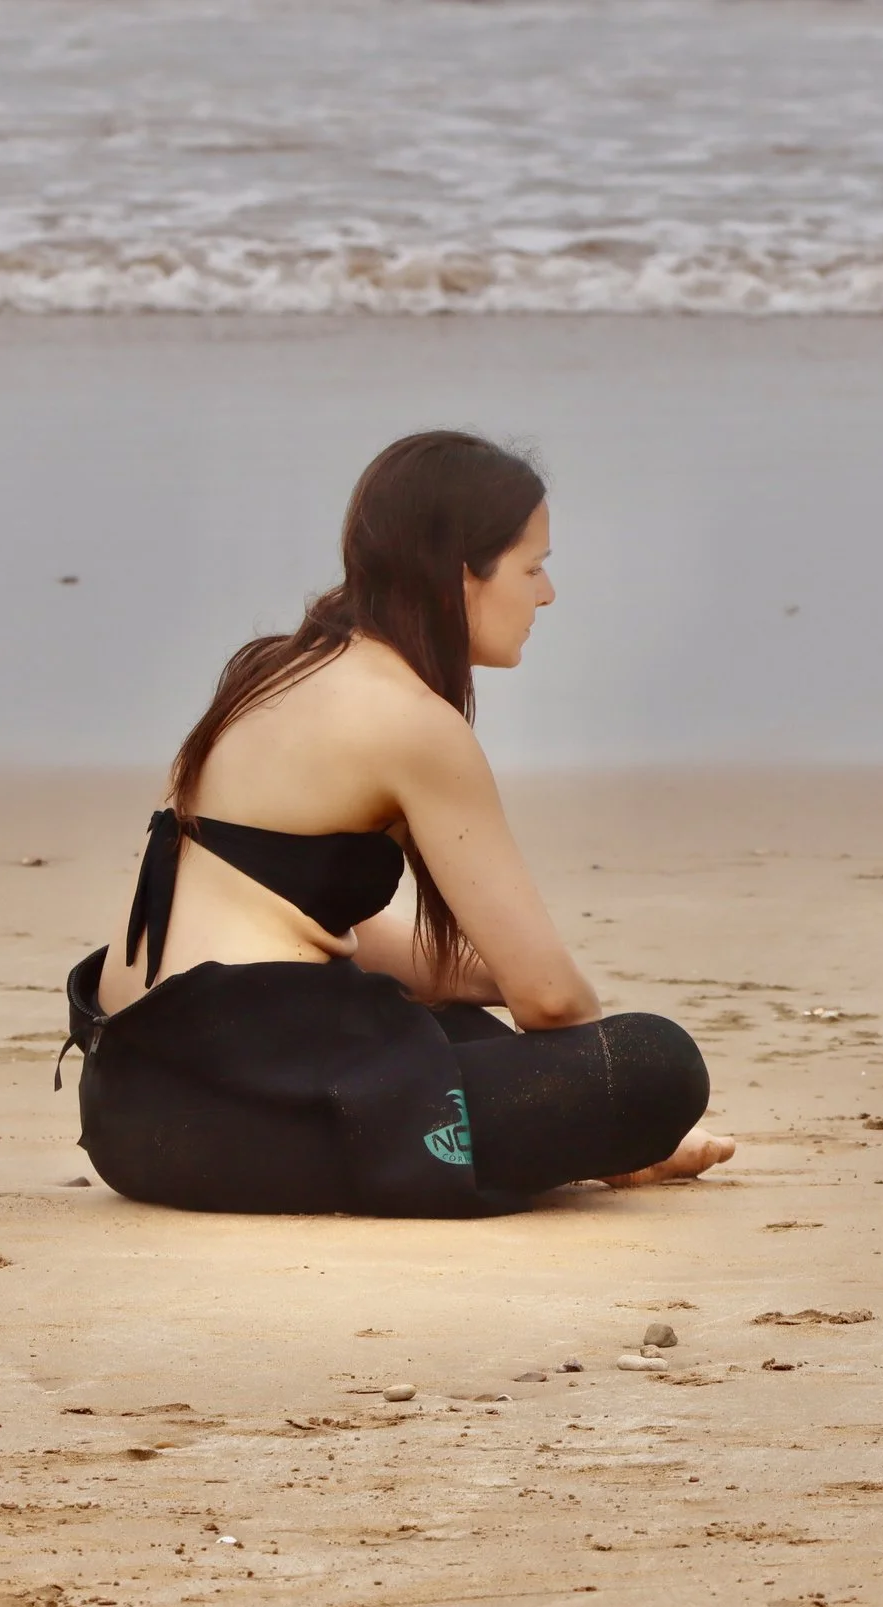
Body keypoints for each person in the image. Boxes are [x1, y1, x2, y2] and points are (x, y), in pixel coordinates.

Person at [60, 432, 733, 1216]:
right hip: (225, 1117)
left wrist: (490, 982)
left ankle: (547, 1138)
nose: (546, 594)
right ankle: (588, 1146)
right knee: (655, 1065)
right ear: (461, 576)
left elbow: (320, 933)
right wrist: (608, 1107)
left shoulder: (274, 669)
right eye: (533, 566)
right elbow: (554, 1005)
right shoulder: (413, 724)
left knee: (456, 1025)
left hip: (131, 1111)